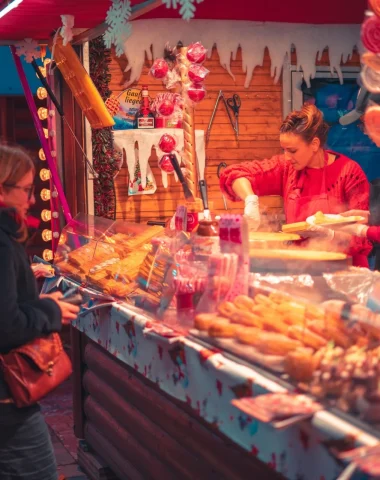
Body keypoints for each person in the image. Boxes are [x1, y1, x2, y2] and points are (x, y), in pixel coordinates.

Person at [0, 144, 79, 480]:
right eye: (27, 190)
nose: (32, 201)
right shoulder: (2, 243)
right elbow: (6, 325)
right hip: (7, 395)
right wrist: (50, 310)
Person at [219, 104, 372, 267]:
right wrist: (250, 199)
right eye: (283, 150)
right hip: (302, 267)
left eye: (292, 151)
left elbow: (361, 237)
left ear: (314, 144)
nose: (286, 157)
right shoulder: (286, 169)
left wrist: (330, 235)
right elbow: (234, 174)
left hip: (346, 272)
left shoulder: (349, 172)